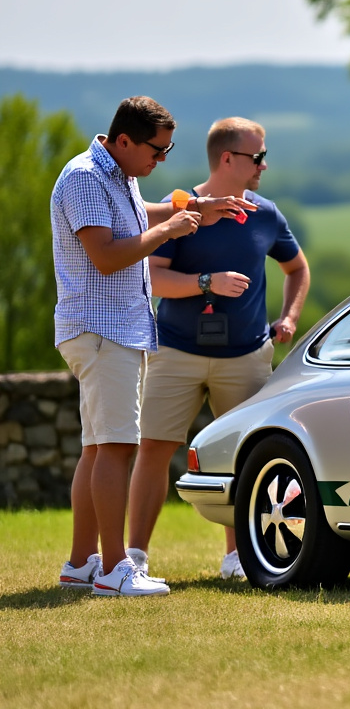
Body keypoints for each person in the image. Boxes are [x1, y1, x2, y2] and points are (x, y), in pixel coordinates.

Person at [52, 97, 252, 597]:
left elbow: (140, 214)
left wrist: (197, 210)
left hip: (111, 330)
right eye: (156, 151)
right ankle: (116, 570)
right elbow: (107, 255)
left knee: (98, 448)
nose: (160, 161)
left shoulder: (117, 174)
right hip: (103, 330)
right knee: (117, 448)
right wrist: (168, 230)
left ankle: (81, 564)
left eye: (167, 151)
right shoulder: (83, 178)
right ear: (124, 140)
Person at [127, 117, 309, 581]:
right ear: (227, 159)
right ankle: (135, 557)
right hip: (176, 350)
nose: (264, 166)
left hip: (247, 354)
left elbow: (297, 269)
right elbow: (152, 279)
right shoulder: (179, 207)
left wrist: (288, 318)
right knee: (154, 448)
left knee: (246, 455)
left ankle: (238, 557)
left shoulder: (266, 214)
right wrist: (207, 283)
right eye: (258, 157)